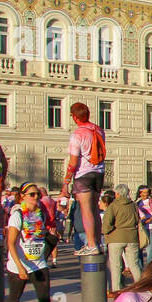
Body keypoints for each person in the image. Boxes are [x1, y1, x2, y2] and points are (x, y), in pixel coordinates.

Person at [60, 103, 106, 256]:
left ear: (74, 117)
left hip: (83, 174)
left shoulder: (77, 135)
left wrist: (66, 183)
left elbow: (73, 162)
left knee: (86, 210)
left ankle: (91, 244)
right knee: (94, 209)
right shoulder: (98, 130)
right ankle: (98, 243)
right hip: (99, 172)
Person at [101, 186, 142, 297]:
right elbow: (137, 219)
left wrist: (106, 232)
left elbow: (107, 222)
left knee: (116, 265)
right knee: (134, 264)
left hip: (116, 237)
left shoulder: (114, 205)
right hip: (132, 237)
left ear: (117, 194)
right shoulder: (133, 205)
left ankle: (116, 290)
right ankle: (140, 286)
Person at [135, 186, 152, 265]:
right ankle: (140, 266)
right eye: (144, 192)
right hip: (140, 227)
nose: (146, 194)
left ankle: (150, 266)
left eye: (147, 192)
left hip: (149, 227)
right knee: (139, 247)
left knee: (149, 248)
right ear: (140, 193)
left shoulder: (151, 201)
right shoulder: (138, 202)